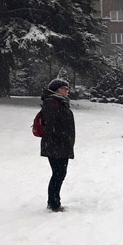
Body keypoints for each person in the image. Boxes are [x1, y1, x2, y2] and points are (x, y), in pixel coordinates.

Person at [40, 78, 75, 212]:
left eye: (67, 89)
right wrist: (60, 139)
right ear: (56, 90)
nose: (67, 91)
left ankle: (54, 201)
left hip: (61, 144)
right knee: (58, 173)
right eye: (64, 88)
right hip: (56, 144)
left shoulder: (60, 102)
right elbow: (51, 125)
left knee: (60, 173)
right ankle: (53, 203)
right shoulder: (52, 102)